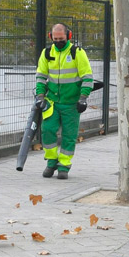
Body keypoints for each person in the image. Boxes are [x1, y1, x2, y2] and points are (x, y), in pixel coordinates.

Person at [34, 23, 94, 179]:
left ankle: (64, 165)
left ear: (68, 36)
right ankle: (51, 162)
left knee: (69, 135)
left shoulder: (77, 53)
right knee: (47, 130)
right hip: (52, 102)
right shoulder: (46, 53)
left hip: (71, 103)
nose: (58, 41)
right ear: (51, 37)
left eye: (61, 39)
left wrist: (83, 98)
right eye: (55, 39)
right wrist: (40, 96)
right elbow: (41, 76)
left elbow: (87, 77)